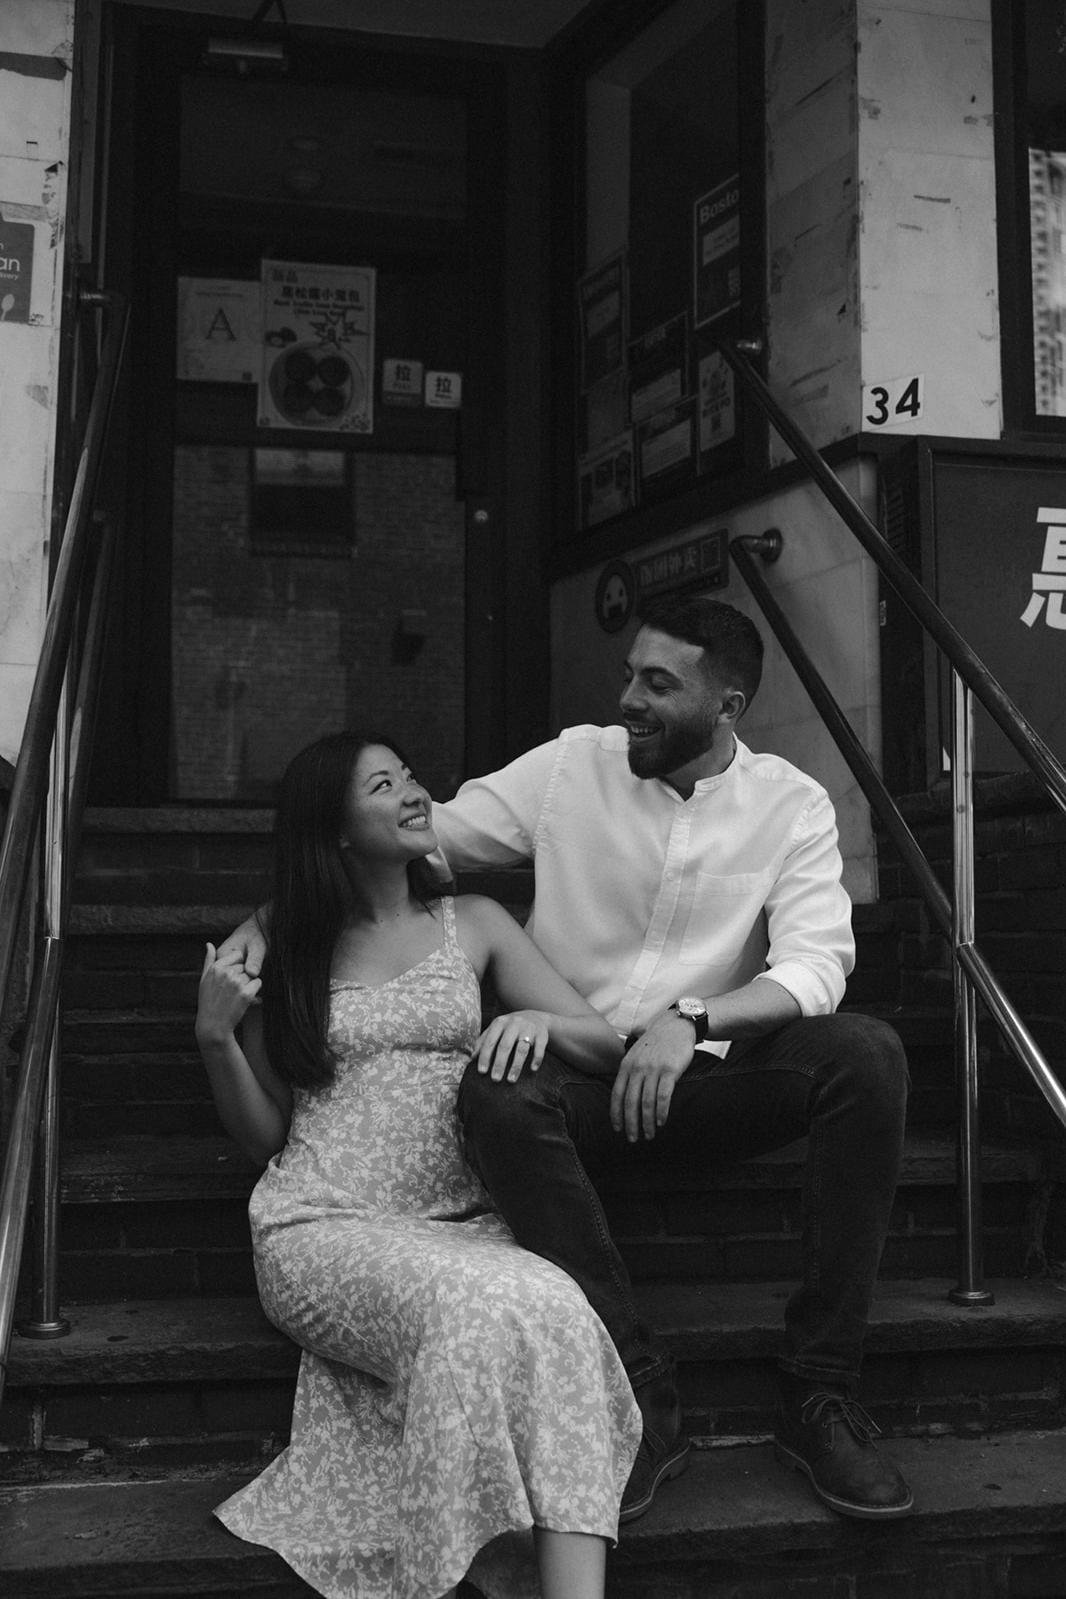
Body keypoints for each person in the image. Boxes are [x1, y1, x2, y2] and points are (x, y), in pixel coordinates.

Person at [223, 594, 913, 1527]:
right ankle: (638, 1396)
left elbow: (817, 963)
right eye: (629, 672)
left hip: (709, 1078)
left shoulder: (790, 806)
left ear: (728, 708)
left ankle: (819, 1392)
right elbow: (420, 838)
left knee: (866, 1054)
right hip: (574, 1082)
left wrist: (693, 1016)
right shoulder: (569, 767)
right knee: (496, 1094)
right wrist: (268, 923)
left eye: (657, 684)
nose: (627, 695)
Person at [196, 731, 641, 1599]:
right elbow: (264, 1138)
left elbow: (605, 1040)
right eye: (382, 784)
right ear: (334, 832)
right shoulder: (286, 948)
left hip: (464, 1223)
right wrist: (215, 1036)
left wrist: (540, 1026)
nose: (412, 791)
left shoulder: (470, 922)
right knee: (485, 1303)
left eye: (407, 774)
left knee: (552, 1300)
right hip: (323, 1224)